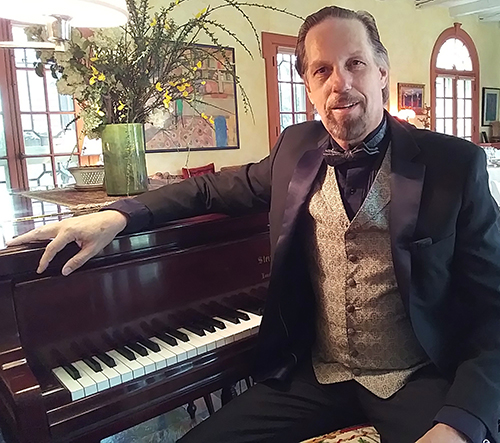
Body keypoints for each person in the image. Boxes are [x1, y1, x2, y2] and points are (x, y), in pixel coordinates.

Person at [8, 6, 500, 443]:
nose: (340, 83)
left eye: (355, 64)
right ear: (308, 85)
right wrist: (120, 213)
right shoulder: (295, 148)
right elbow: (210, 188)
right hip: (316, 375)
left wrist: (460, 423)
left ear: (382, 73)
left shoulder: (454, 165)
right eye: (322, 70)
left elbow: (493, 312)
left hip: (416, 376)